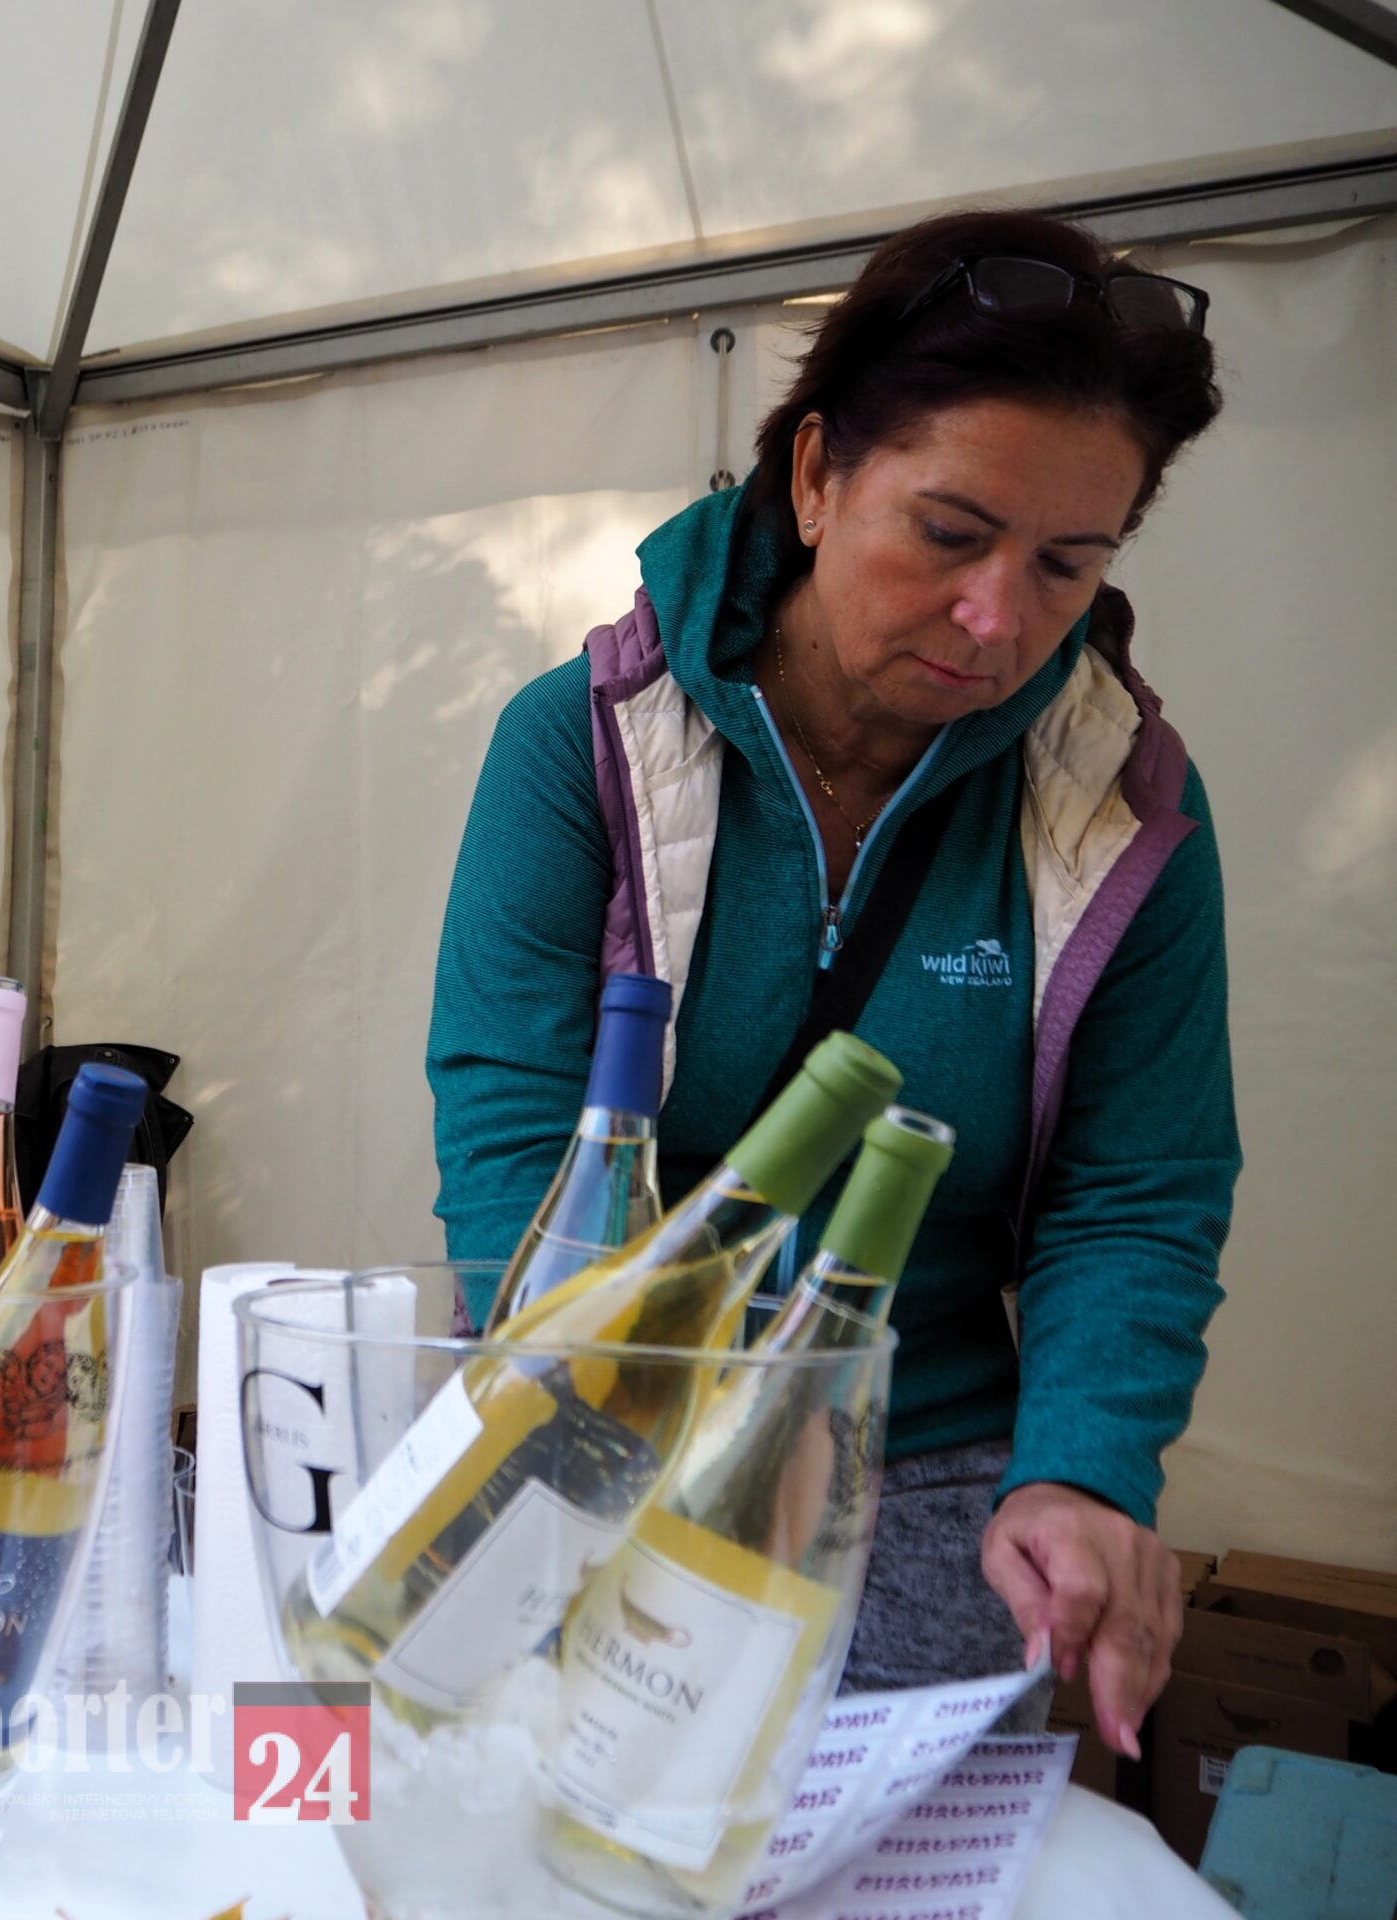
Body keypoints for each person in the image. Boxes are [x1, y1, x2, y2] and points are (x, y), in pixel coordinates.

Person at [429, 210, 1237, 1752]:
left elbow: (1139, 1194)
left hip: (931, 1471)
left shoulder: (1122, 806)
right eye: (949, 533)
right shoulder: (587, 744)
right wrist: (610, 1446)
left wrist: (1082, 1474)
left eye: (1067, 564)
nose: (999, 617)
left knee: (911, 1839)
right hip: (601, 1425)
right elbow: (512, 1138)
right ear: (814, 475)